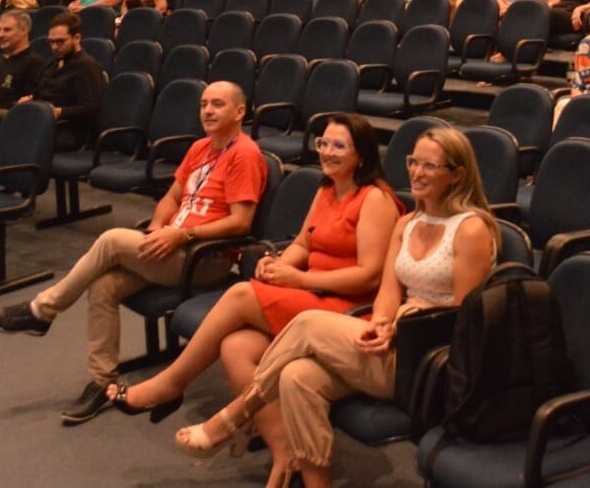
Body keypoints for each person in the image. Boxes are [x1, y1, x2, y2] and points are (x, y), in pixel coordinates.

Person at [171, 127, 496, 488]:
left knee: (309, 322)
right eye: (413, 162)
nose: (417, 172)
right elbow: (388, 293)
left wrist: (403, 323)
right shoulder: (407, 224)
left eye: (430, 166)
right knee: (296, 378)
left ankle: (234, 416)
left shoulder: (471, 230)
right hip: (395, 340)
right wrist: (385, 321)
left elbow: (465, 318)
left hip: (428, 362)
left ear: (457, 175)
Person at [101, 115, 405, 475]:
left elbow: (369, 274)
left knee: (242, 294)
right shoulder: (327, 189)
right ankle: (284, 453)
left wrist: (297, 280)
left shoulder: (376, 200)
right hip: (312, 292)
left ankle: (171, 383)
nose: (327, 152)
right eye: (323, 143)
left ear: (363, 156)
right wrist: (276, 264)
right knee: (236, 348)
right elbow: (303, 243)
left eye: (339, 146)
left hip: (347, 308)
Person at [0, 82, 270, 425]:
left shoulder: (246, 155)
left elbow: (240, 222)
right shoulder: (200, 148)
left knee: (112, 239)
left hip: (206, 259)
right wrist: (156, 230)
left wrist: (182, 234)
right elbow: (171, 198)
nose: (207, 110)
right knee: (104, 286)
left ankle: (42, 310)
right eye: (204, 104)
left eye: (218, 104)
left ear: (240, 112)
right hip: (173, 245)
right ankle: (102, 381)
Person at [18, 14, 106, 151]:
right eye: (51, 42)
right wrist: (30, 100)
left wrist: (60, 112)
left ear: (76, 38)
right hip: (43, 121)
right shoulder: (52, 63)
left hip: (69, 131)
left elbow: (92, 108)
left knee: (16, 139)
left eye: (60, 42)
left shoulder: (86, 66)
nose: (54, 47)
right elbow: (39, 92)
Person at [0, 10, 43, 112]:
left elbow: (31, 102)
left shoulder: (34, 62)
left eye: (7, 30)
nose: (0, 35)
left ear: (24, 31)